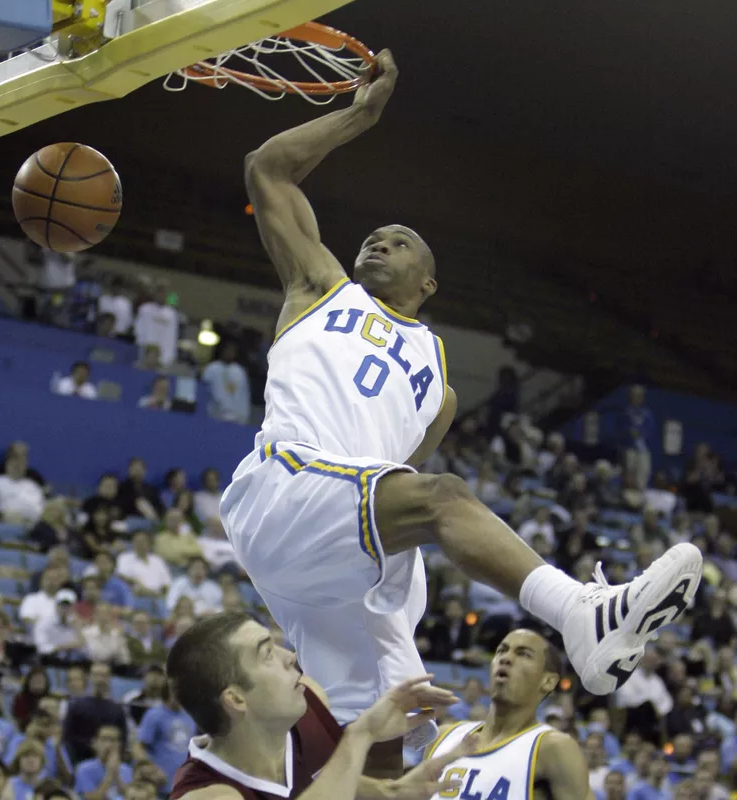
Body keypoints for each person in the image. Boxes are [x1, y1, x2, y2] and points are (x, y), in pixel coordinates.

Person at [222, 48, 702, 772]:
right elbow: (267, 168)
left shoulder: (439, 384)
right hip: (287, 488)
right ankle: (581, 615)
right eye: (371, 237)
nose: (378, 240)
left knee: (382, 734)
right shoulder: (322, 287)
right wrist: (360, 115)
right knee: (442, 498)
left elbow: (402, 478)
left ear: (430, 281)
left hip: (342, 550)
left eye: (401, 240)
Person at [167, 612, 463, 800]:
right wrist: (360, 734)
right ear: (235, 699)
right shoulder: (209, 795)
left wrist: (393, 791)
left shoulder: (308, 701)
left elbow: (315, 779)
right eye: (267, 654)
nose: (290, 656)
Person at [423, 629, 593, 799]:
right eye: (501, 651)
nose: (506, 658)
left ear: (548, 681)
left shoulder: (552, 747)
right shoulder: (444, 736)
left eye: (523, 654)